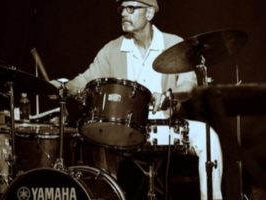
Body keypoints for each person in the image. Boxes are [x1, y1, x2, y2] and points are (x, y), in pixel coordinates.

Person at [58, 0, 223, 199]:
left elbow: (188, 85)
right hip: (125, 130)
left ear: (149, 13)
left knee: (208, 136)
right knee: (99, 135)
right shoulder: (112, 49)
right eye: (122, 9)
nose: (123, 14)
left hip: (165, 128)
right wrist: (63, 86)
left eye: (131, 8)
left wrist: (170, 96)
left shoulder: (173, 44)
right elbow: (86, 79)